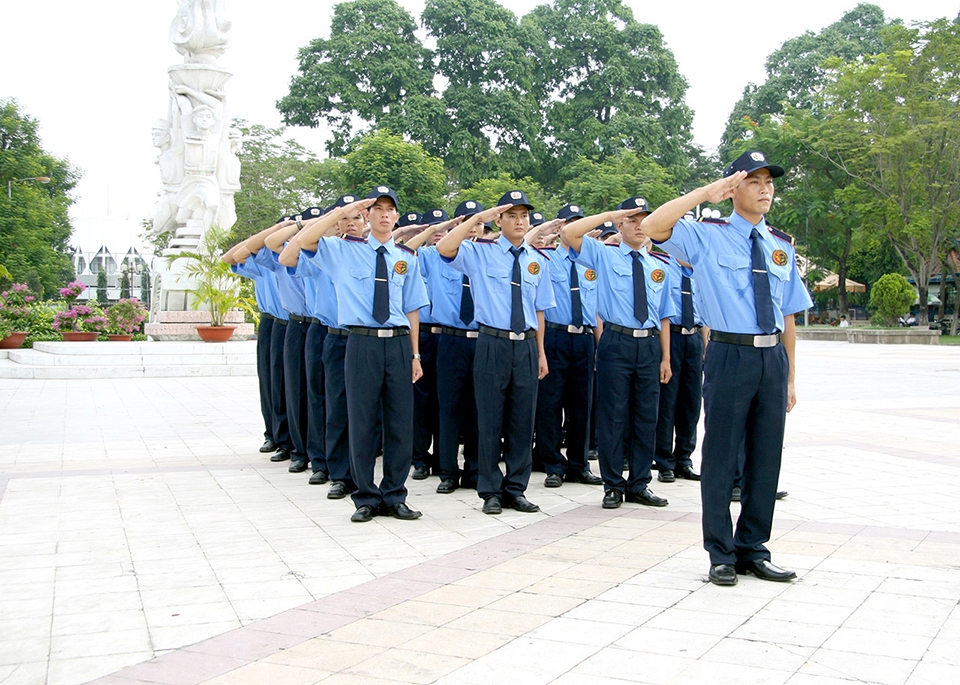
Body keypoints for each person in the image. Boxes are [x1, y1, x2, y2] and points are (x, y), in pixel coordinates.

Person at [640, 150, 813, 586]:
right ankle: (721, 552)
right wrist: (705, 193)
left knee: (765, 457)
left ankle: (754, 548)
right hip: (729, 353)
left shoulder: (780, 246)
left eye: (769, 182)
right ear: (733, 188)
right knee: (720, 456)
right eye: (754, 181)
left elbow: (788, 314)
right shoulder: (706, 236)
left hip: (771, 358)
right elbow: (653, 227)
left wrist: (791, 377)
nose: (765, 189)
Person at [281, 188, 429, 523]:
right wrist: (339, 213)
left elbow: (412, 308)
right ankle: (365, 496)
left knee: (399, 422)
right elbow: (303, 242)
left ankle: (395, 495)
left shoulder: (406, 257)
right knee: (361, 421)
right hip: (361, 341)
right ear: (366, 216)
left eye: (390, 210)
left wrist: (415, 355)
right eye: (376, 209)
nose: (384, 215)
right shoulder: (342, 250)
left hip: (398, 343)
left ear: (396, 217)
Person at [437, 191, 555, 515]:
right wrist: (478, 218)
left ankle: (516, 488)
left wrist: (541, 352)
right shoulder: (480, 252)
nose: (519, 221)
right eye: (512, 215)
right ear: (499, 220)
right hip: (492, 341)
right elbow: (444, 248)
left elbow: (540, 310)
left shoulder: (537, 260)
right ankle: (490, 489)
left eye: (524, 216)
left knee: (522, 420)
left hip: (526, 343)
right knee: (489, 419)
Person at [561, 198, 676, 511]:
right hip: (616, 340)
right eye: (632, 220)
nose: (639, 226)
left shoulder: (659, 267)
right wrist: (610, 214)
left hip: (649, 344)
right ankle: (613, 484)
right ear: (620, 225)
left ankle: (639, 483)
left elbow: (665, 315)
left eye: (643, 220)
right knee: (612, 416)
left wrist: (666, 357)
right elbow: (570, 233)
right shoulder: (604, 255)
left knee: (646, 416)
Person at [536, 204, 603, 488]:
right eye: (569, 223)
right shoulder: (546, 258)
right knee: (551, 404)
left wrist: (600, 346)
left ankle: (579, 465)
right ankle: (553, 465)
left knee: (582, 404)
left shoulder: (593, 263)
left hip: (585, 337)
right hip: (556, 336)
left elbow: (597, 309)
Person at [653, 252, 705, 484]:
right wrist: (665, 355)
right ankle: (664, 461)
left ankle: (684, 458)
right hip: (671, 337)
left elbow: (704, 314)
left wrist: (705, 347)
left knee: (691, 402)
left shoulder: (700, 273)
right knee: (668, 402)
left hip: (694, 338)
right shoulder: (663, 267)